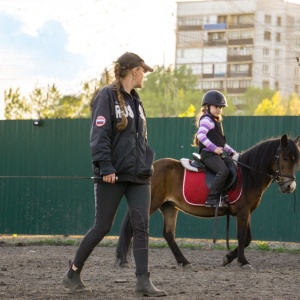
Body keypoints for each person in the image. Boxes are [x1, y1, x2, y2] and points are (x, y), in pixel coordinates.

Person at [61, 52, 167, 297]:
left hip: (139, 175)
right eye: (144, 71)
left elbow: (139, 138)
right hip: (113, 175)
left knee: (141, 226)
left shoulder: (136, 101)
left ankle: (143, 281)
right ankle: (72, 274)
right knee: (102, 227)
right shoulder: (106, 96)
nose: (145, 76)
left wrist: (146, 161)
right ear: (134, 71)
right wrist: (105, 166)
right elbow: (99, 136)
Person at [193, 90, 237, 207]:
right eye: (216, 106)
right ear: (208, 106)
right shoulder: (207, 119)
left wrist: (232, 152)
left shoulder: (216, 121)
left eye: (221, 107)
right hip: (208, 154)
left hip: (215, 154)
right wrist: (214, 148)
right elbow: (201, 136)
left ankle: (224, 193)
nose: (219, 109)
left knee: (231, 164)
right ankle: (212, 198)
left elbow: (221, 143)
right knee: (223, 171)